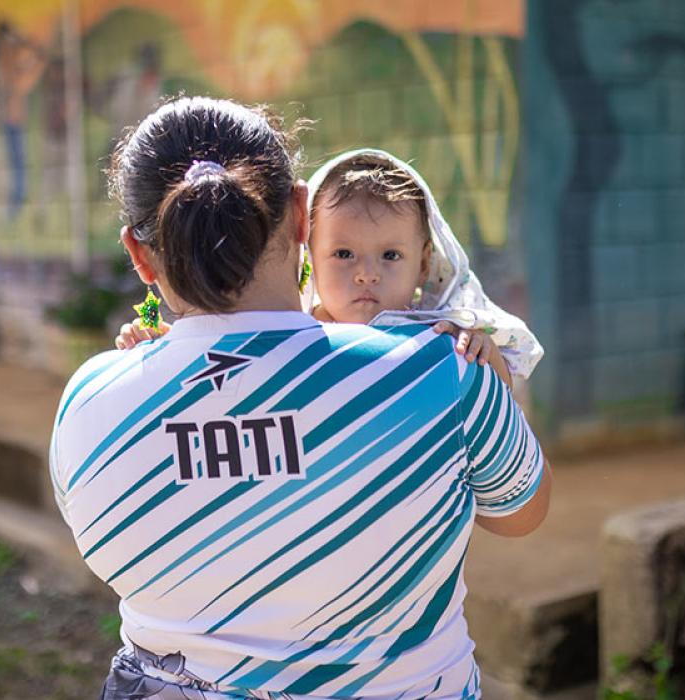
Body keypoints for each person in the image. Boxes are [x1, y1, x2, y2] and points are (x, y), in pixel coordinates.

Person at [49, 97, 552, 700]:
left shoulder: (87, 405)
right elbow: (522, 514)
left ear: (138, 254)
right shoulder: (449, 369)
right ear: (299, 215)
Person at [117, 148, 544, 389]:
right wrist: (165, 344)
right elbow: (227, 366)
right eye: (343, 255)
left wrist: (488, 360)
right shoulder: (292, 333)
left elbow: (499, 399)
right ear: (308, 254)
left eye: (390, 256)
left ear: (425, 264)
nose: (366, 273)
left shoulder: (440, 338)